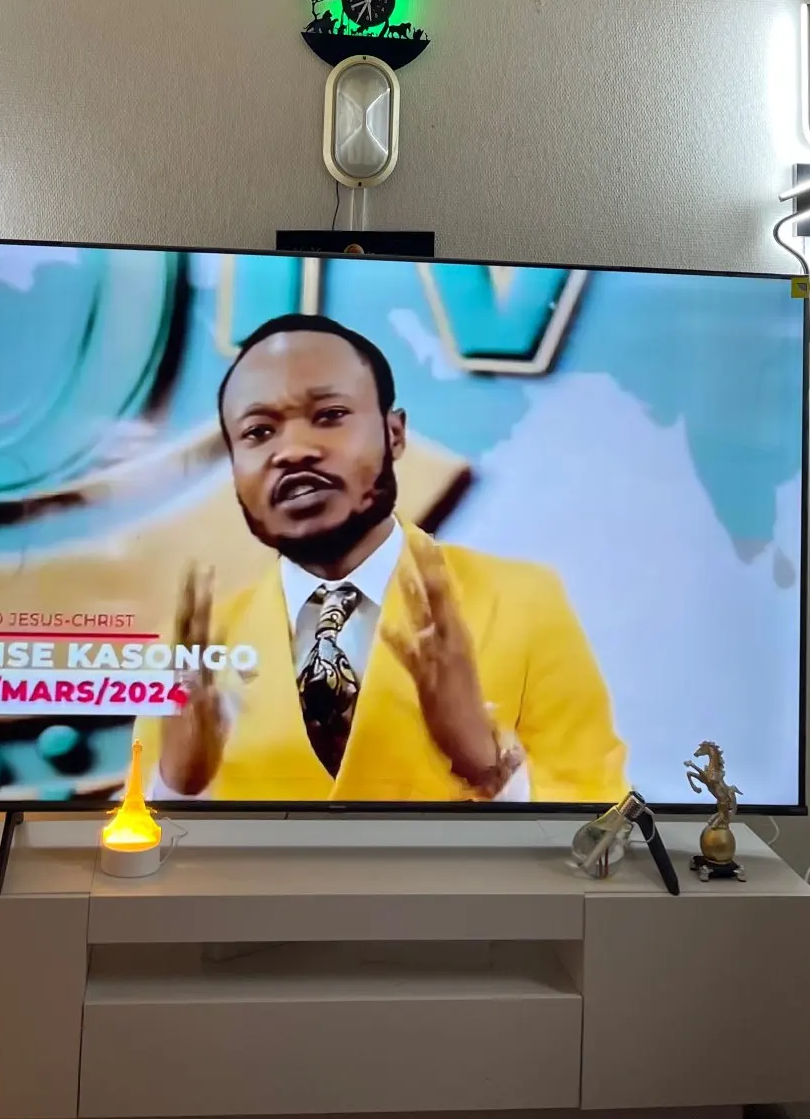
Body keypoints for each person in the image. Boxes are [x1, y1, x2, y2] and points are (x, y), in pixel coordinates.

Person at [158, 313, 628, 804]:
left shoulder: (523, 601)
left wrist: (489, 768)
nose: (293, 451)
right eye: (258, 432)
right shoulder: (199, 643)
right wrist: (180, 789)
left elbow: (601, 814)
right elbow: (138, 833)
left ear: (395, 433)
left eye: (329, 415)